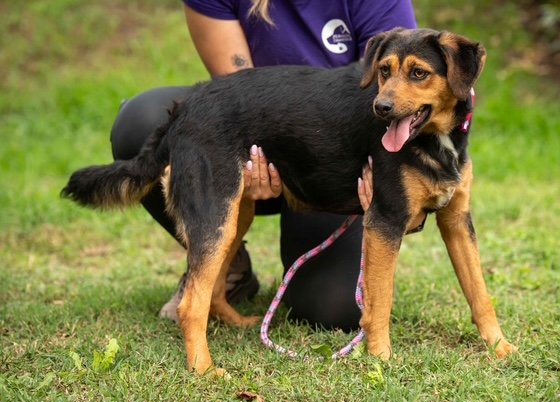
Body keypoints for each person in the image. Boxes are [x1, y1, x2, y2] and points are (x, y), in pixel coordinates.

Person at [110, 0, 417, 331]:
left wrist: (398, 197)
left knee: (335, 309)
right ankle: (225, 262)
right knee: (142, 121)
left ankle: (251, 266)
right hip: (251, 135)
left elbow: (401, 95)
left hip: (333, 165)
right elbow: (237, 93)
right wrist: (253, 151)